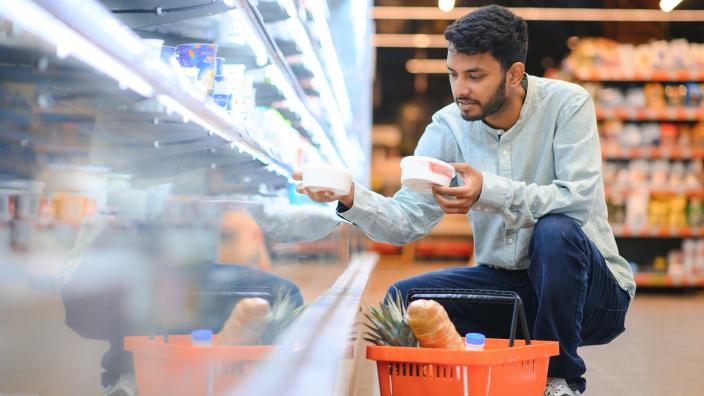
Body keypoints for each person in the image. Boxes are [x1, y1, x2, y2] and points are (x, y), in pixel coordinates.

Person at [295, 5, 635, 396]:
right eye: (454, 74)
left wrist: (487, 190)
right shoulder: (448, 126)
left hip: (593, 294)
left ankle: (558, 380)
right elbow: (406, 221)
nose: (461, 89)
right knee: (406, 299)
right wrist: (351, 196)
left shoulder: (567, 104)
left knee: (555, 231)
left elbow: (577, 200)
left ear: (513, 74)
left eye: (475, 76)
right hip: (513, 289)